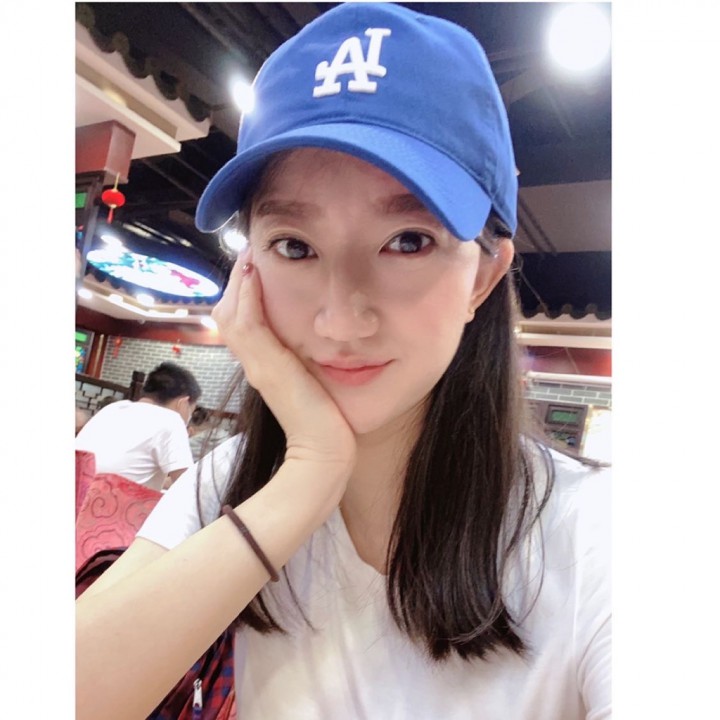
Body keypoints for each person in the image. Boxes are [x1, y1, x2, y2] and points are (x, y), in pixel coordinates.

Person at [76, 5, 610, 720]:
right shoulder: (229, 482)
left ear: (483, 277)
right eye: (294, 246)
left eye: (409, 241)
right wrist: (310, 472)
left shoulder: (597, 533)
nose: (341, 319)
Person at [75, 361, 201, 492]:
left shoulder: (113, 408)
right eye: (191, 411)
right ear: (183, 403)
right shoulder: (171, 420)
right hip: (111, 502)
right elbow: (188, 486)